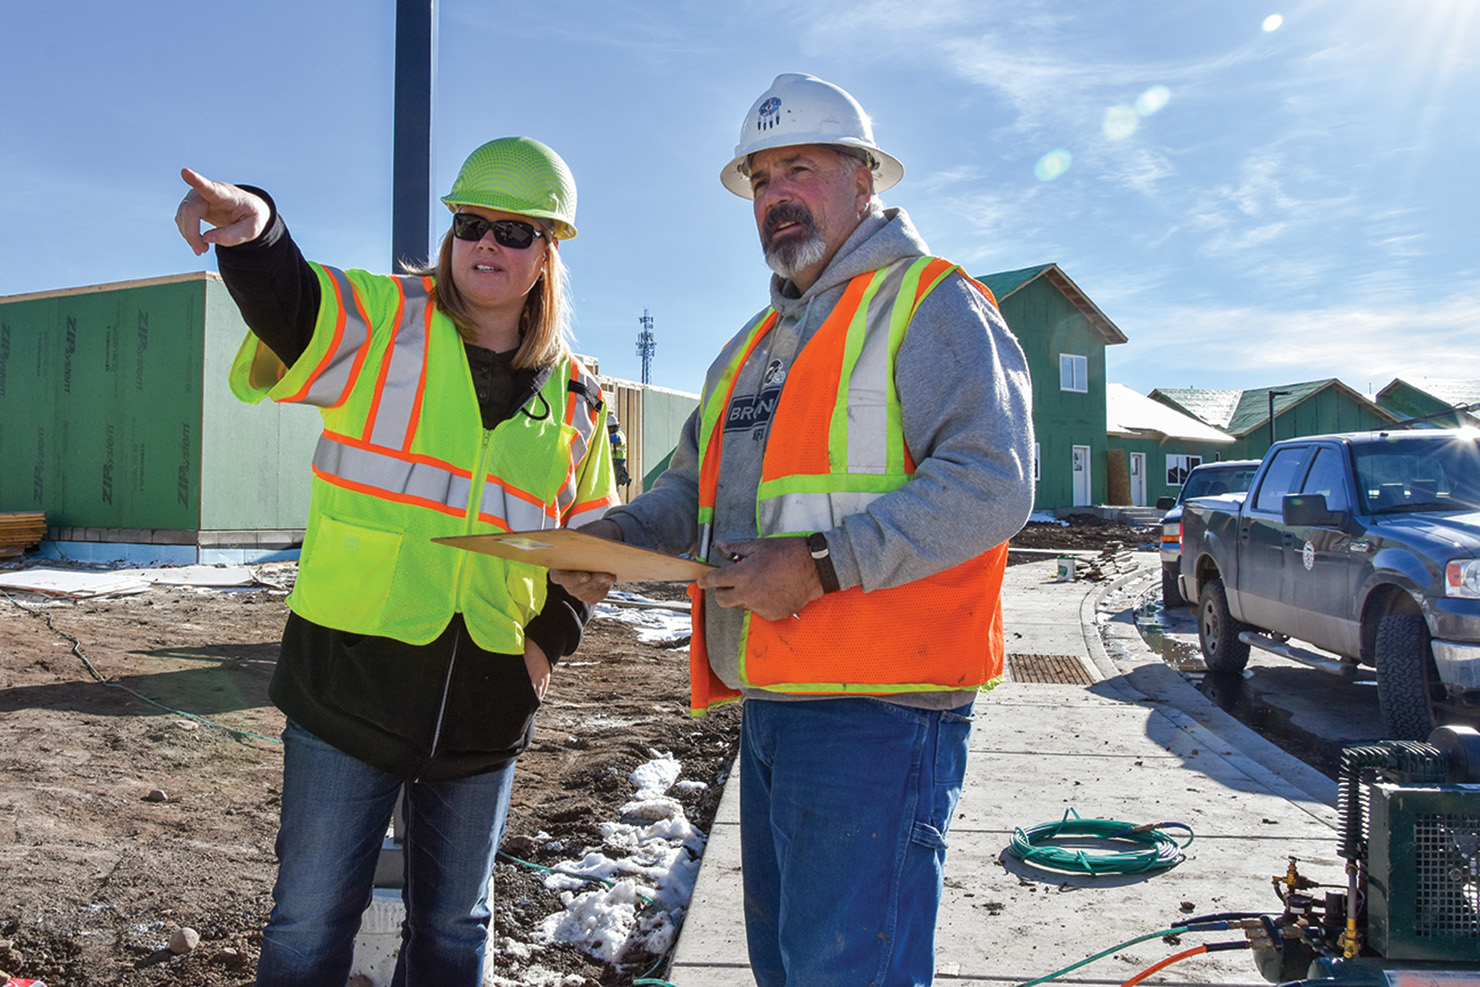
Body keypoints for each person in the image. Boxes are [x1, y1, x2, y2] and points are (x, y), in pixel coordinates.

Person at [555, 73, 1034, 986]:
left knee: (846, 971)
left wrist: (820, 563)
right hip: (776, 701)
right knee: (791, 969)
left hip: (882, 715)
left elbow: (994, 480)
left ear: (865, 181)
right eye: (761, 178)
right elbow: (688, 495)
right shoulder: (747, 349)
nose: (776, 196)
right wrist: (609, 544)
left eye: (800, 168)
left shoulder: (930, 304)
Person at [174, 136, 619, 987]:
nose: (487, 243)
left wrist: (543, 647)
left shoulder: (578, 398)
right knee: (308, 925)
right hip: (351, 684)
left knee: (456, 929)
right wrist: (255, 228)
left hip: (487, 701)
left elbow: (588, 552)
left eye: (515, 231)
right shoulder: (384, 321)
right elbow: (291, 302)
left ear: (547, 256)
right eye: (472, 223)